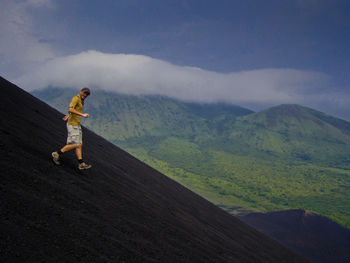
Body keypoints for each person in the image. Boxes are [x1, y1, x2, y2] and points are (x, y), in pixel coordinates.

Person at [52, 87, 92, 170]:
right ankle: (57, 153)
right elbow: (70, 108)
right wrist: (82, 115)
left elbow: (73, 109)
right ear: (81, 91)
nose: (85, 95)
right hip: (73, 125)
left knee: (79, 144)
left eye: (87, 94)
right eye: (84, 93)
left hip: (76, 124)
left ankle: (81, 163)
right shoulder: (76, 98)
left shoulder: (81, 100)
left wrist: (69, 115)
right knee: (75, 144)